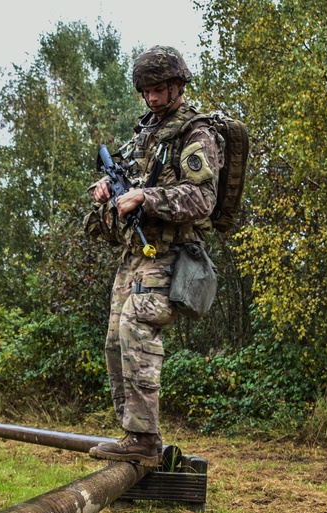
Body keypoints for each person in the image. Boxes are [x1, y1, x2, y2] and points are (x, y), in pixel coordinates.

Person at [84, 45, 224, 467]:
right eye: (146, 91)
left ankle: (145, 440)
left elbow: (203, 198)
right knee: (114, 341)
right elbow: (126, 179)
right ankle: (133, 435)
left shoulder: (196, 134)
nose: (153, 98)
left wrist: (148, 196)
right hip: (135, 255)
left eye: (160, 89)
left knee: (137, 327)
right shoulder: (145, 134)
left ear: (178, 85)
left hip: (171, 254)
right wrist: (107, 191)